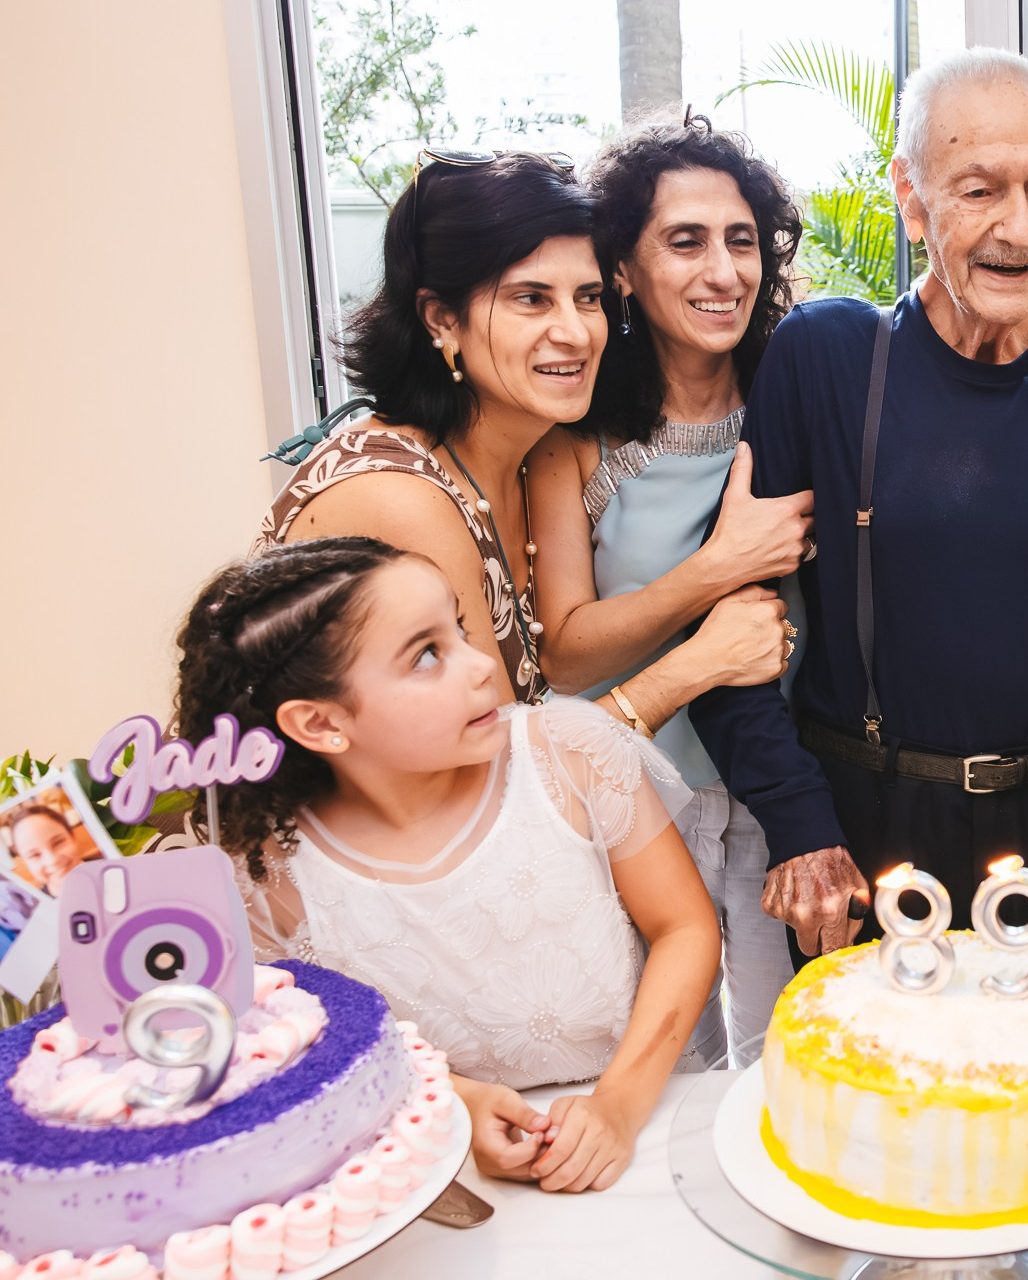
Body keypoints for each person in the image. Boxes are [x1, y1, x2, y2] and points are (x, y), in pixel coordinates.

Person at [687, 48, 1028, 1033]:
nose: (1020, 228)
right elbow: (734, 621)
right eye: (980, 189)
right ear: (912, 201)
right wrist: (797, 826)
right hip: (863, 829)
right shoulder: (825, 360)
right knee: (884, 1125)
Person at [176, 537, 720, 1193]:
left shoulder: (568, 755)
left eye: (461, 629)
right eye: (427, 655)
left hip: (646, 1130)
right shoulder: (273, 875)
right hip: (442, 1169)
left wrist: (618, 1106)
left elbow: (685, 929)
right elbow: (310, 1042)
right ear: (321, 723)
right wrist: (455, 1098)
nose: (481, 665)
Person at [258, 151, 788, 731]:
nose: (576, 332)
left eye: (588, 298)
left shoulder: (524, 460)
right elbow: (503, 782)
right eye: (532, 299)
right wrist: (695, 666)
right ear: (440, 319)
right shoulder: (399, 496)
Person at [525, 114, 814, 1065]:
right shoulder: (577, 440)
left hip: (789, 790)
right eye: (684, 242)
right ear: (623, 271)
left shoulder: (802, 402)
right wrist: (719, 568)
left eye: (742, 241)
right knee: (671, 1060)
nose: (723, 271)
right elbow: (567, 647)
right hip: (645, 798)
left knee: (792, 1055)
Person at [7, 804, 97, 897]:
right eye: (35, 855)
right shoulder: (40, 909)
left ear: (72, 836)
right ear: (25, 862)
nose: (52, 860)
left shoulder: (110, 866)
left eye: (58, 843)